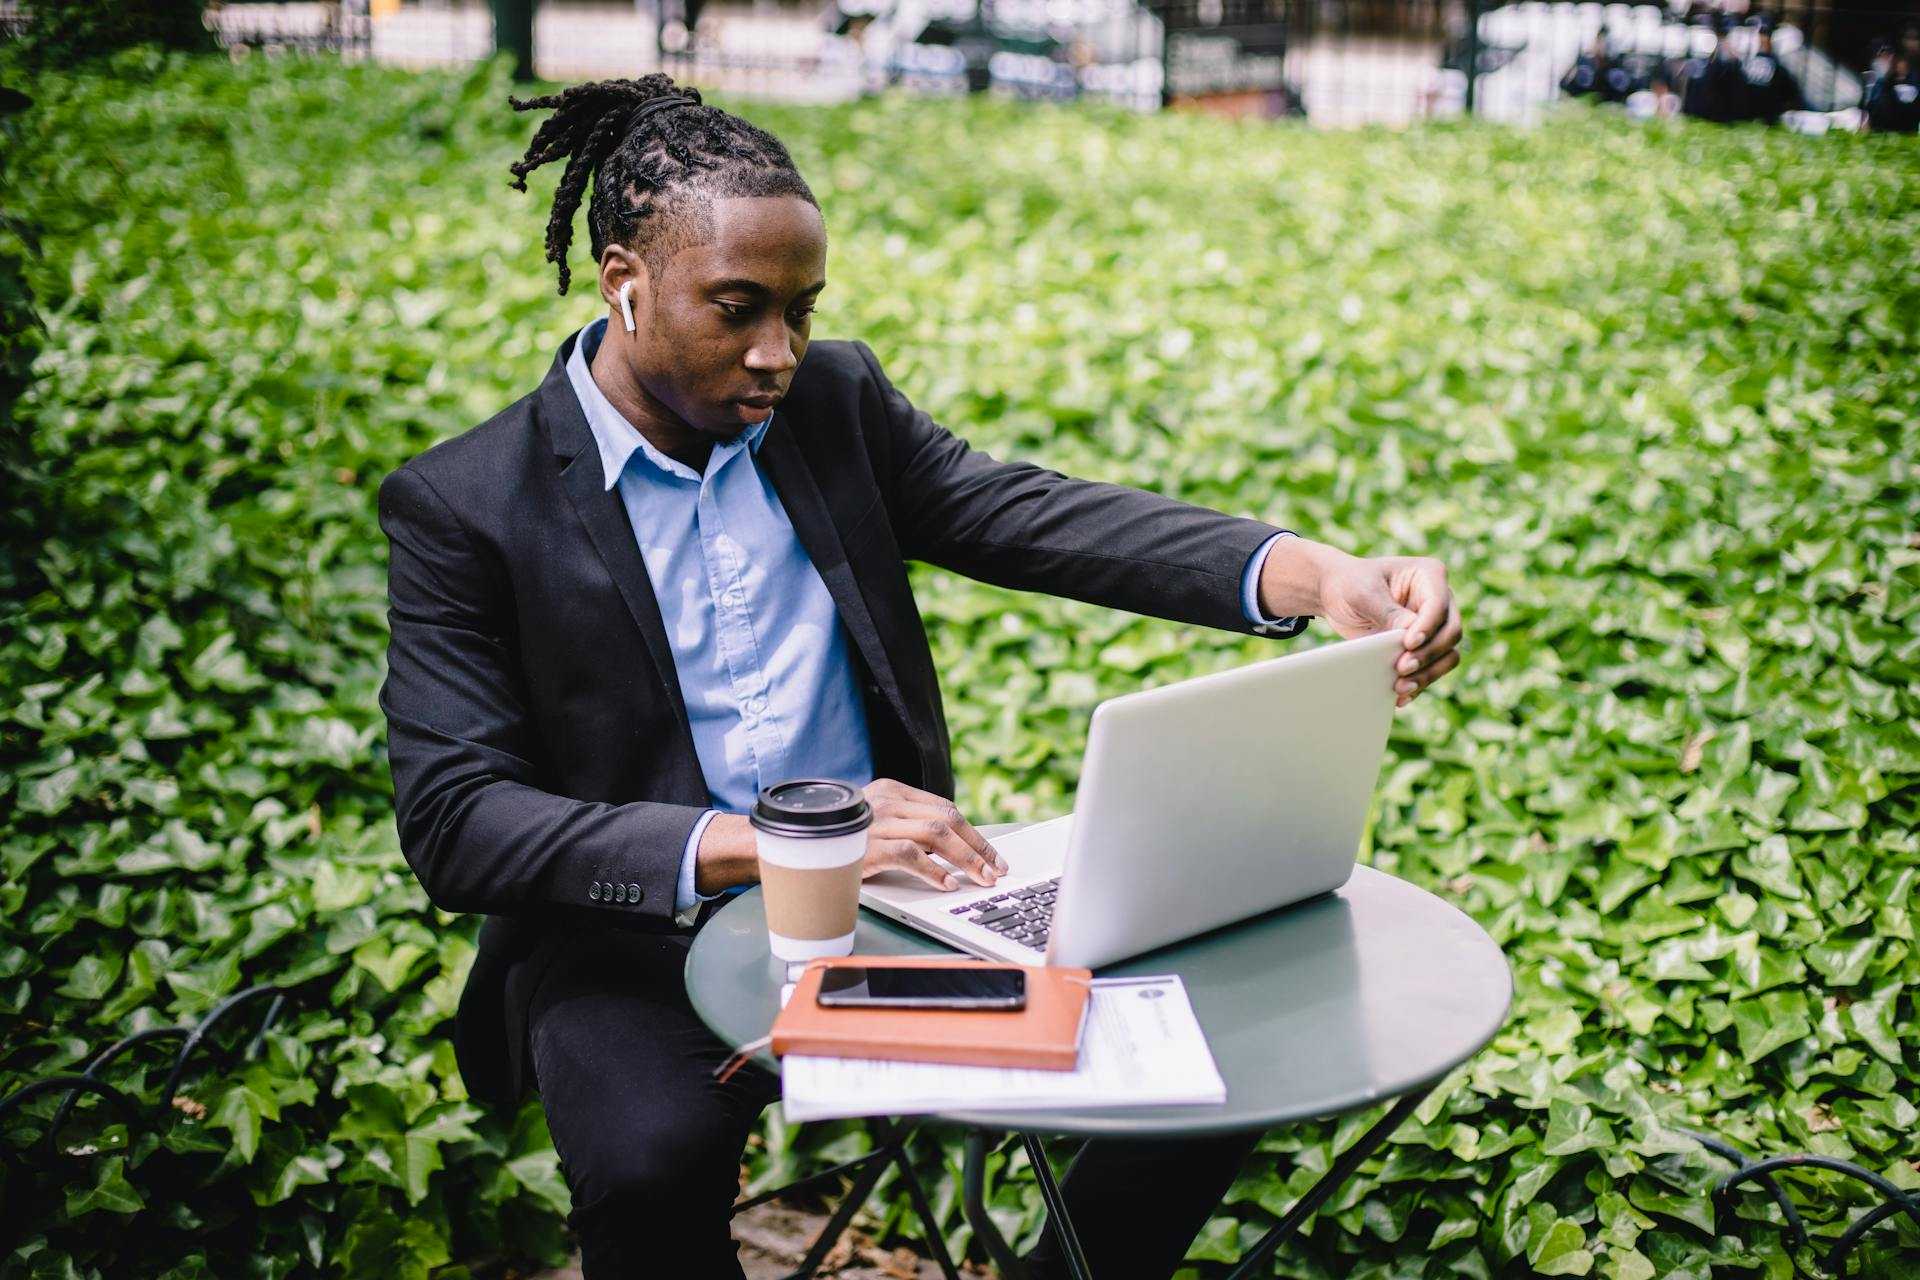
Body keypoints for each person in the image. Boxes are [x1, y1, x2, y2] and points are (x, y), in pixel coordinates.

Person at [376, 74, 1464, 1279]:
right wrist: (786, 841)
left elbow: (1033, 514)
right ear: (624, 280)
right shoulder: (468, 504)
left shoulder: (833, 404)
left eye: (801, 309)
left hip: (901, 914)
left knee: (1207, 1056)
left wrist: (1309, 573)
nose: (778, 352)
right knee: (648, 1165)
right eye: (738, 308)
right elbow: (458, 822)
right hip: (634, 935)